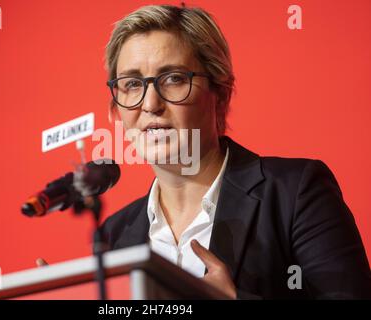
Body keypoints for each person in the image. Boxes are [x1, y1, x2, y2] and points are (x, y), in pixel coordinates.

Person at [100, 4, 371, 299]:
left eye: (174, 79)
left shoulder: (296, 194)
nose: (150, 104)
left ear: (221, 95)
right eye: (132, 84)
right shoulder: (113, 236)